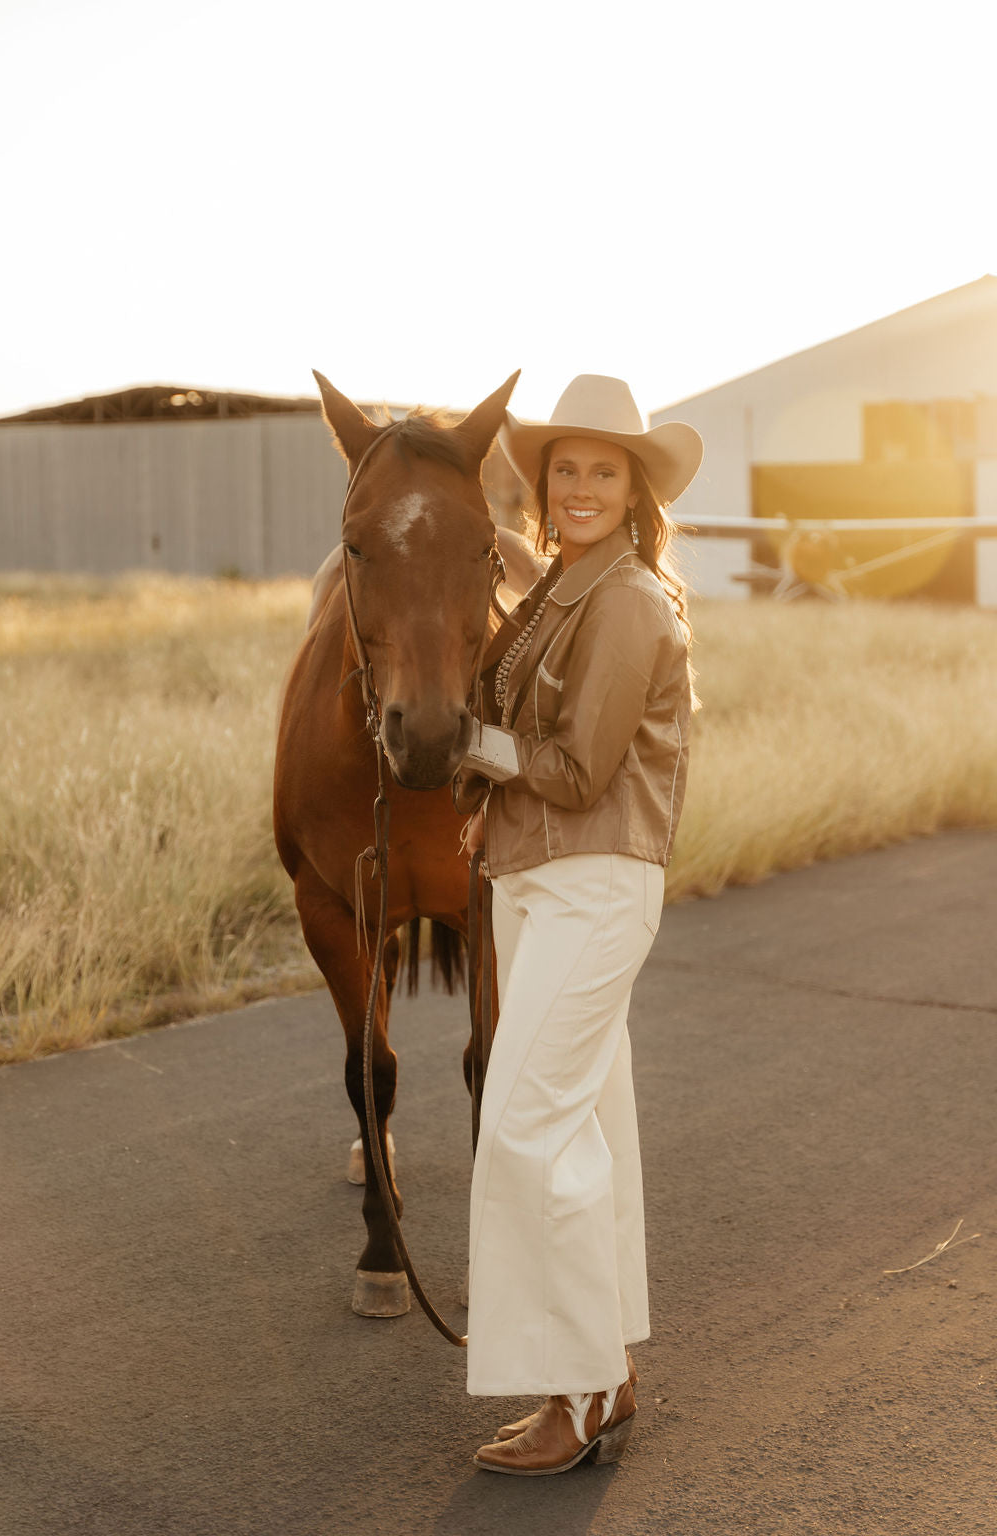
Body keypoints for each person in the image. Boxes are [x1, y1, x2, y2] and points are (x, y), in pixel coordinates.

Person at [455, 374, 703, 1475]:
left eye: (606, 471)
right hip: (540, 884)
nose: (583, 486)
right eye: (566, 470)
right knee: (582, 1125)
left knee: (524, 1128)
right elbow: (514, 600)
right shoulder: (566, 585)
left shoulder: (632, 603)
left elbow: (574, 768)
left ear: (636, 488)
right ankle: (605, 1367)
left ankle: (585, 1389)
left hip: (593, 884)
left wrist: (462, 746)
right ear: (545, 485)